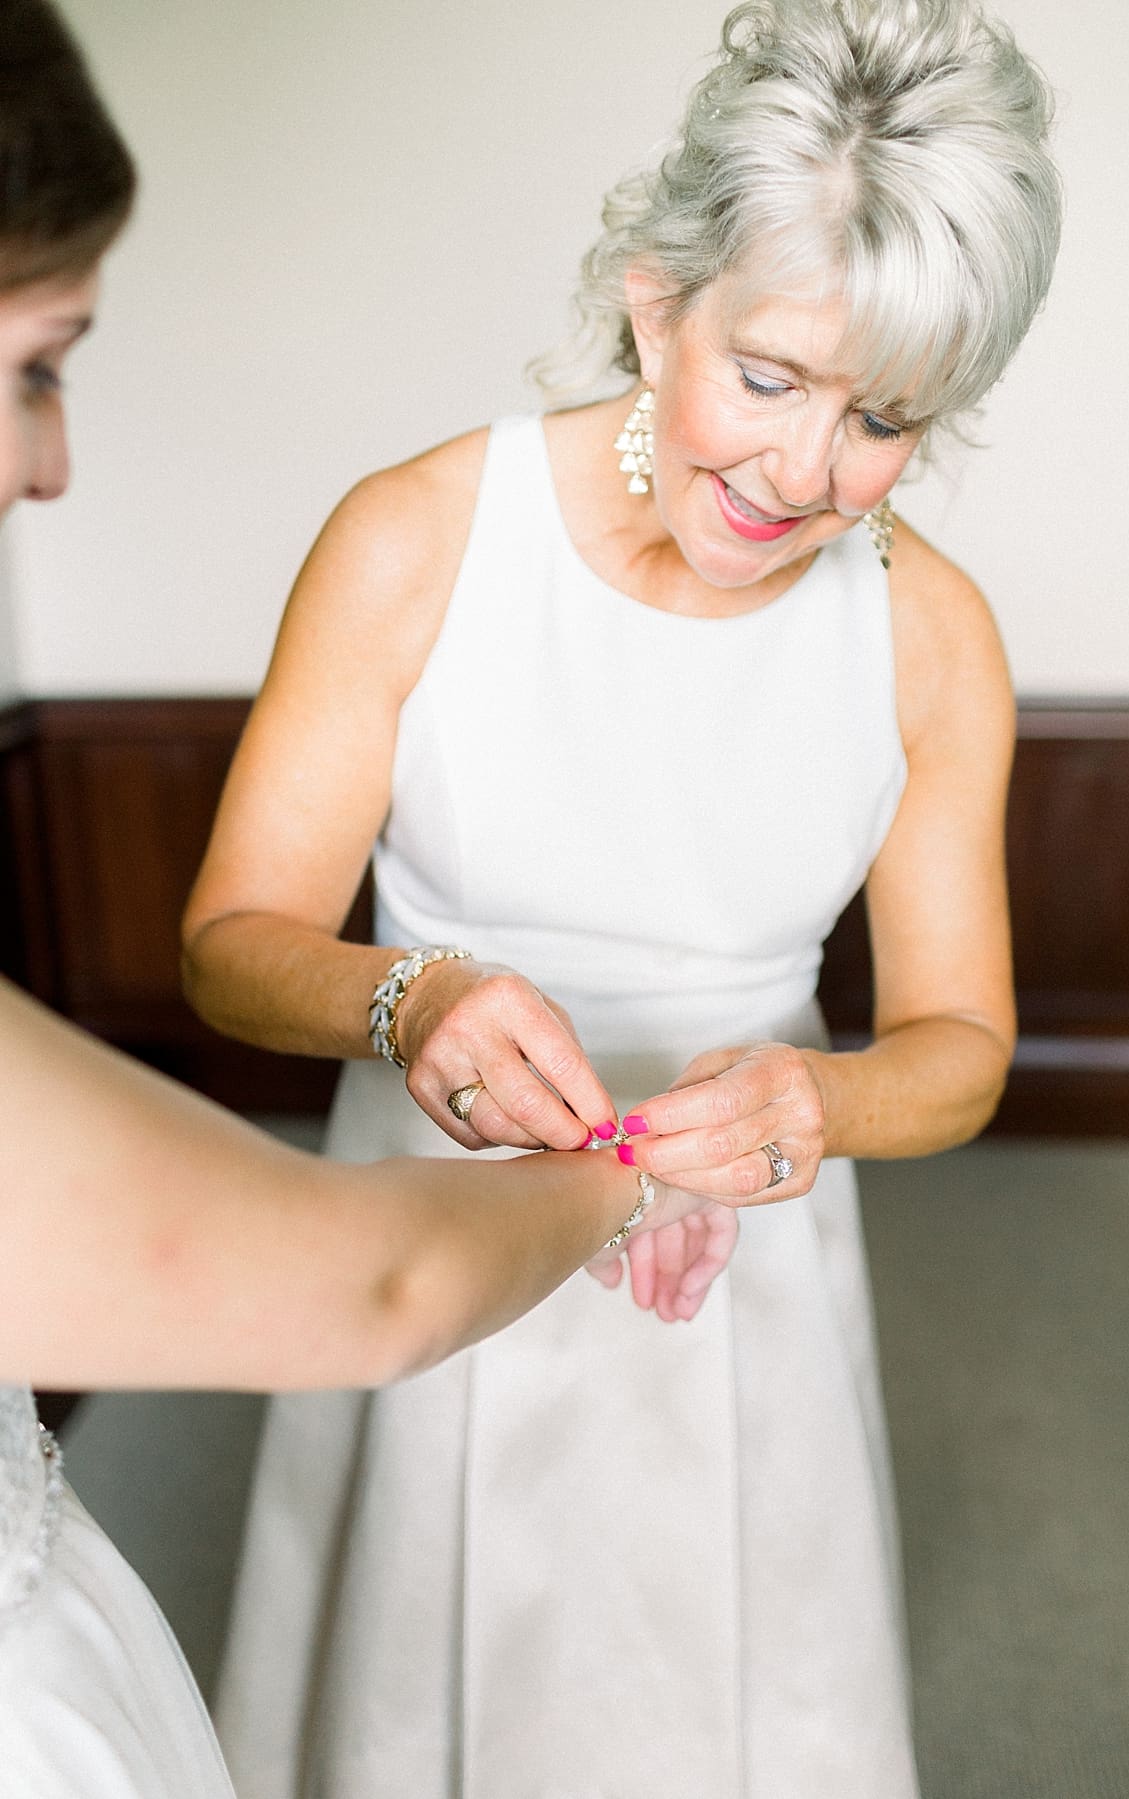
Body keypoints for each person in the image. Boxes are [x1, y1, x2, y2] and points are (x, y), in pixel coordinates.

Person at [184, 0, 1062, 1792]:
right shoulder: (415, 539)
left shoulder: (935, 634)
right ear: (659, 301)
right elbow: (228, 944)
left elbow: (961, 1048)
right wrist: (409, 1001)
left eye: (885, 417)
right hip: (432, 1204)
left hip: (755, 1231)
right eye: (769, 377)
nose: (805, 476)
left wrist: (816, 1100)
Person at [0, 5, 734, 1794]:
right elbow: (374, 1285)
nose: (52, 461)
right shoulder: (419, 535)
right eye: (35, 362)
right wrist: (623, 1163)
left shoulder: (916, 616)